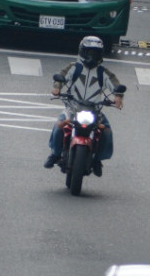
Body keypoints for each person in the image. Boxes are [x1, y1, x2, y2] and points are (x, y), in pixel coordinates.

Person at [44, 36, 124, 177]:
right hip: (72, 108)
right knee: (59, 127)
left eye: (95, 53)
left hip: (95, 110)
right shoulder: (73, 67)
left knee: (106, 132)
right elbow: (61, 76)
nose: (92, 56)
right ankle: (55, 154)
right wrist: (56, 88)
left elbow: (116, 85)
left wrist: (118, 96)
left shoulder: (103, 72)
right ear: (82, 51)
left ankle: (97, 160)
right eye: (89, 52)